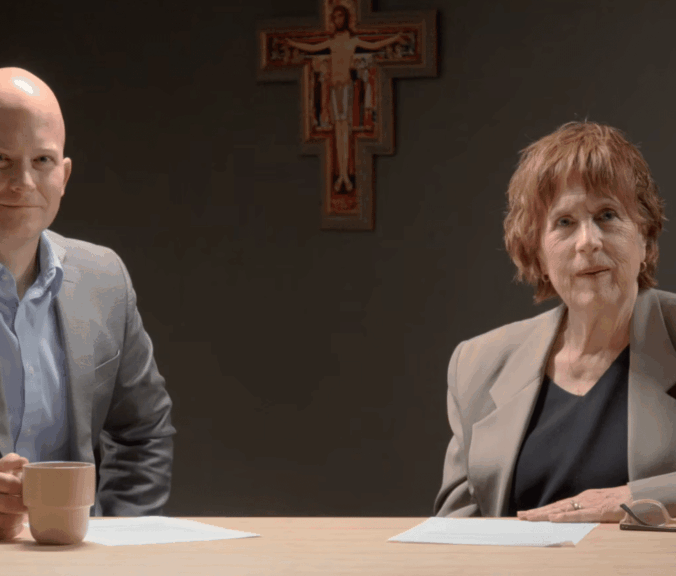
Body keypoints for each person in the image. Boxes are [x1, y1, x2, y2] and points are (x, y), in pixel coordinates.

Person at [0, 68, 175, 539]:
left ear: (65, 174)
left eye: (43, 160)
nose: (25, 182)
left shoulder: (105, 278)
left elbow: (144, 434)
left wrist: (118, 540)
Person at [434, 121, 676, 522]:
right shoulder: (478, 362)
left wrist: (634, 498)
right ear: (537, 253)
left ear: (645, 238)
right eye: (564, 222)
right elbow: (456, 526)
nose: (588, 241)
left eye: (607, 215)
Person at [284, 4, 406, 193]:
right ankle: (341, 174)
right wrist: (292, 43)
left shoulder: (353, 40)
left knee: (345, 131)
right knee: (337, 131)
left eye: (341, 16)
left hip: (346, 88)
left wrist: (395, 38)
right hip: (334, 89)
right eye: (335, 17)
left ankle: (345, 175)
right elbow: (312, 47)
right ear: (333, 20)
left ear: (346, 19)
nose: (337, 20)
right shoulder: (331, 42)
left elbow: (374, 45)